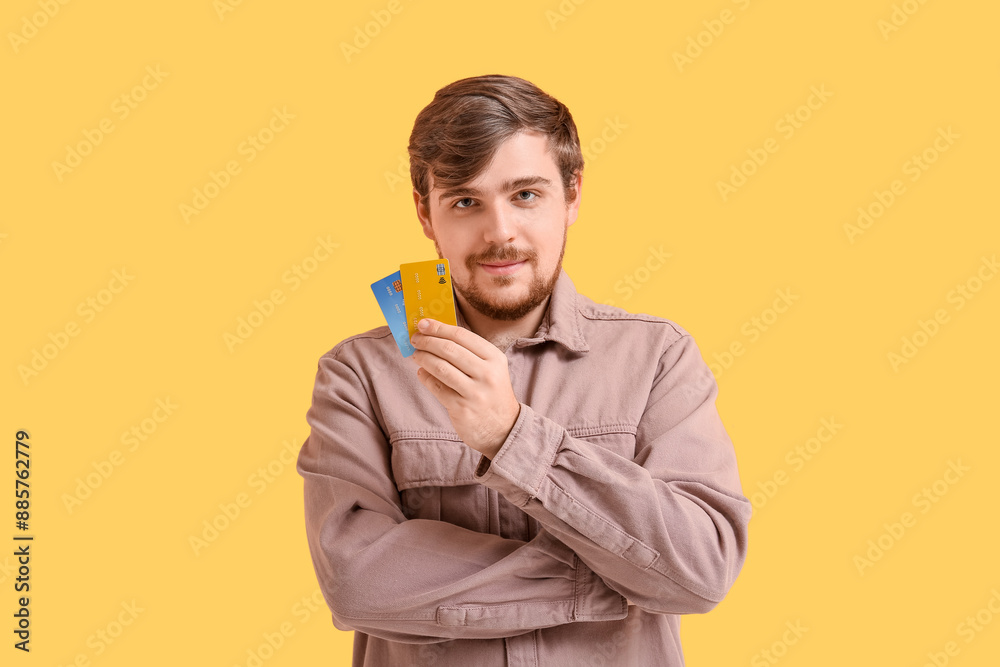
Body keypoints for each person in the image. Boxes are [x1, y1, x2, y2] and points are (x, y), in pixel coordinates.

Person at [296, 74, 751, 666]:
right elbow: (358, 584)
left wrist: (511, 436)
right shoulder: (357, 375)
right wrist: (607, 579)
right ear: (426, 214)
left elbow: (702, 569)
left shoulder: (658, 358)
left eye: (526, 195)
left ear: (573, 195)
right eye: (465, 202)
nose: (500, 232)